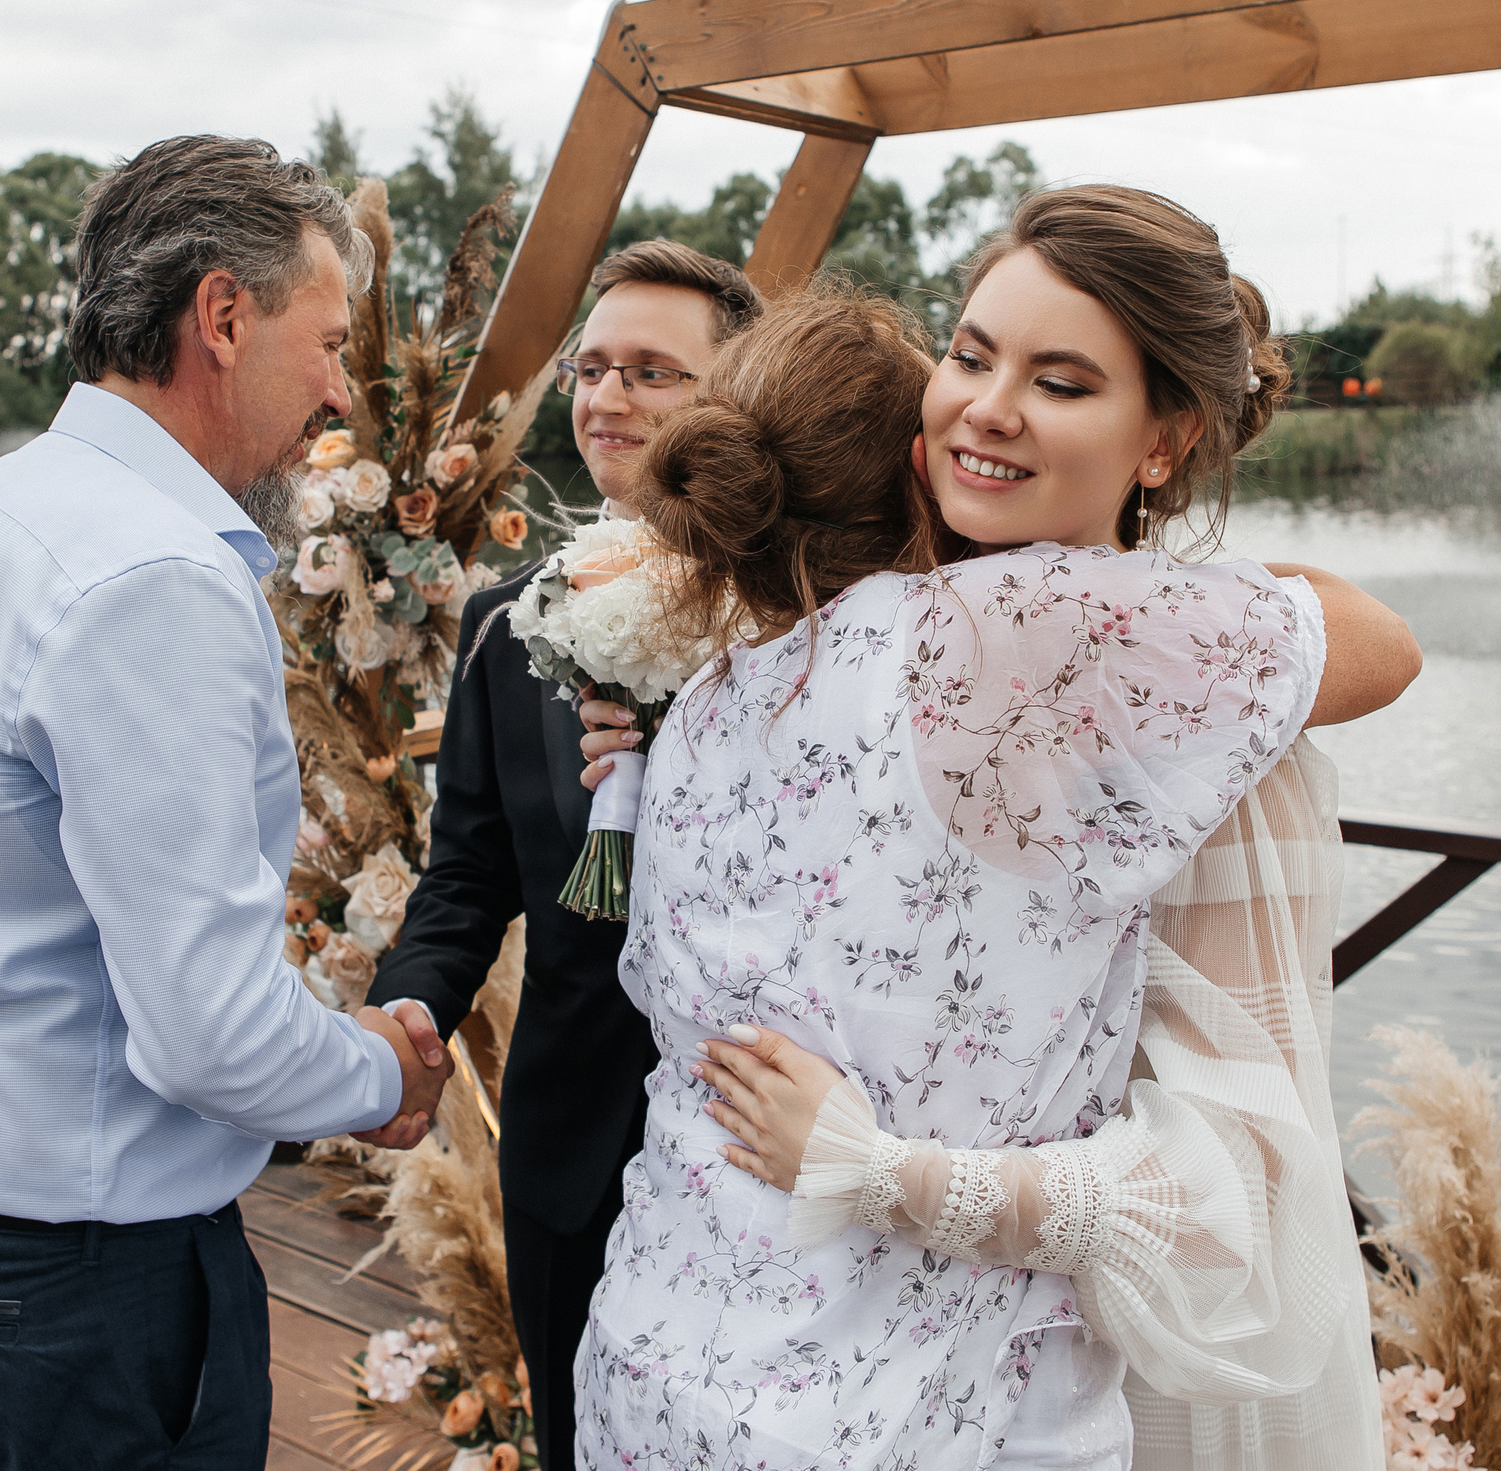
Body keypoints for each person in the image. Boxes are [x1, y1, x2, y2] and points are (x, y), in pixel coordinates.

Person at [573, 191, 1417, 1468]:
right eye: (969, 357)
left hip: (653, 1368)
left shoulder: (708, 699)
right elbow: (1382, 644)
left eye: (1058, 380)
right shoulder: (1038, 632)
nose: (986, 405)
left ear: (1165, 436)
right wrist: (891, 1176)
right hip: (923, 1422)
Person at [0, 136, 449, 1470]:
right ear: (223, 317)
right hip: (70, 1277)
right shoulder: (149, 581)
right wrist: (380, 1070)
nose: (339, 390)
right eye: (329, 340)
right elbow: (208, 1037)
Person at [367, 238, 765, 1471]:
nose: (606, 397)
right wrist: (402, 1011)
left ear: (738, 398)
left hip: (762, 1142)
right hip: (572, 1144)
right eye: (593, 368)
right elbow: (471, 874)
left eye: (654, 370)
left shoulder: (803, 615)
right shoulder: (505, 623)